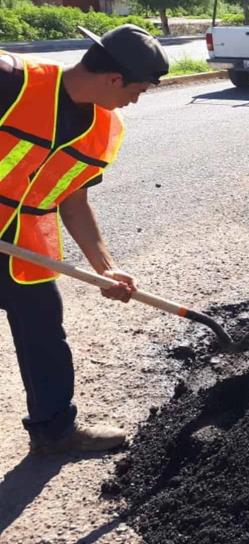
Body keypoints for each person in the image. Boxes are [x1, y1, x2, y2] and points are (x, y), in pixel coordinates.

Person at [0, 25, 168, 454]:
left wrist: (104, 266)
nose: (135, 100)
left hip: (24, 247)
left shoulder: (101, 128)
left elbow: (73, 202)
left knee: (44, 335)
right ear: (114, 79)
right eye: (139, 90)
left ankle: (53, 431)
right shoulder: (12, 80)